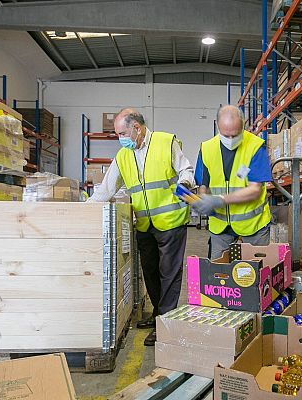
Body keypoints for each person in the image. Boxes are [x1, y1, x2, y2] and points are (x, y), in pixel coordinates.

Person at [88, 108, 194, 346]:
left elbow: (186, 170)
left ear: (136, 127)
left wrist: (185, 184)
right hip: (144, 224)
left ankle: (165, 323)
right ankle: (159, 313)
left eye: (122, 133)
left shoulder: (166, 142)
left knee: (169, 272)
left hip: (171, 221)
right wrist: (84, 209)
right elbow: (106, 190)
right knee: (150, 272)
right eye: (117, 134)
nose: (120, 138)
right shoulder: (123, 155)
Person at [192, 105, 273, 259]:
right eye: (225, 135)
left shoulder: (255, 146)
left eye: (235, 135)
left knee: (258, 273)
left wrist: (219, 200)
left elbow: (255, 190)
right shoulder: (207, 148)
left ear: (243, 126)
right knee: (218, 274)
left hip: (253, 225)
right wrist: (203, 200)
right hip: (220, 227)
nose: (230, 140)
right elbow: (204, 184)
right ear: (218, 126)